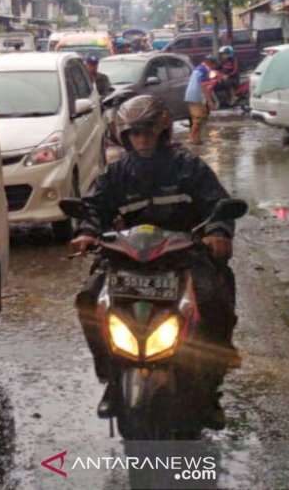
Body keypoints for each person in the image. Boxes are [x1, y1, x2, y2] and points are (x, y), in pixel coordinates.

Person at [70, 95, 238, 427]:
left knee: (216, 299)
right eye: (135, 134)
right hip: (126, 261)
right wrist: (88, 232)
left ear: (162, 134)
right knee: (88, 300)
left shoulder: (188, 167)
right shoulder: (117, 172)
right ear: (125, 136)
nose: (142, 140)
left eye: (148, 133)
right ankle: (111, 374)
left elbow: (217, 203)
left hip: (184, 258)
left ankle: (211, 386)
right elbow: (93, 207)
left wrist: (218, 231)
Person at [184, 55, 216, 145]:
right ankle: (191, 138)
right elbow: (204, 86)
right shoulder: (204, 70)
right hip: (196, 96)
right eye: (214, 65)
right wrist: (210, 101)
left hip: (191, 95)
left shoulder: (198, 68)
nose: (213, 68)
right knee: (198, 119)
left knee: (200, 117)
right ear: (210, 63)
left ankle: (197, 139)